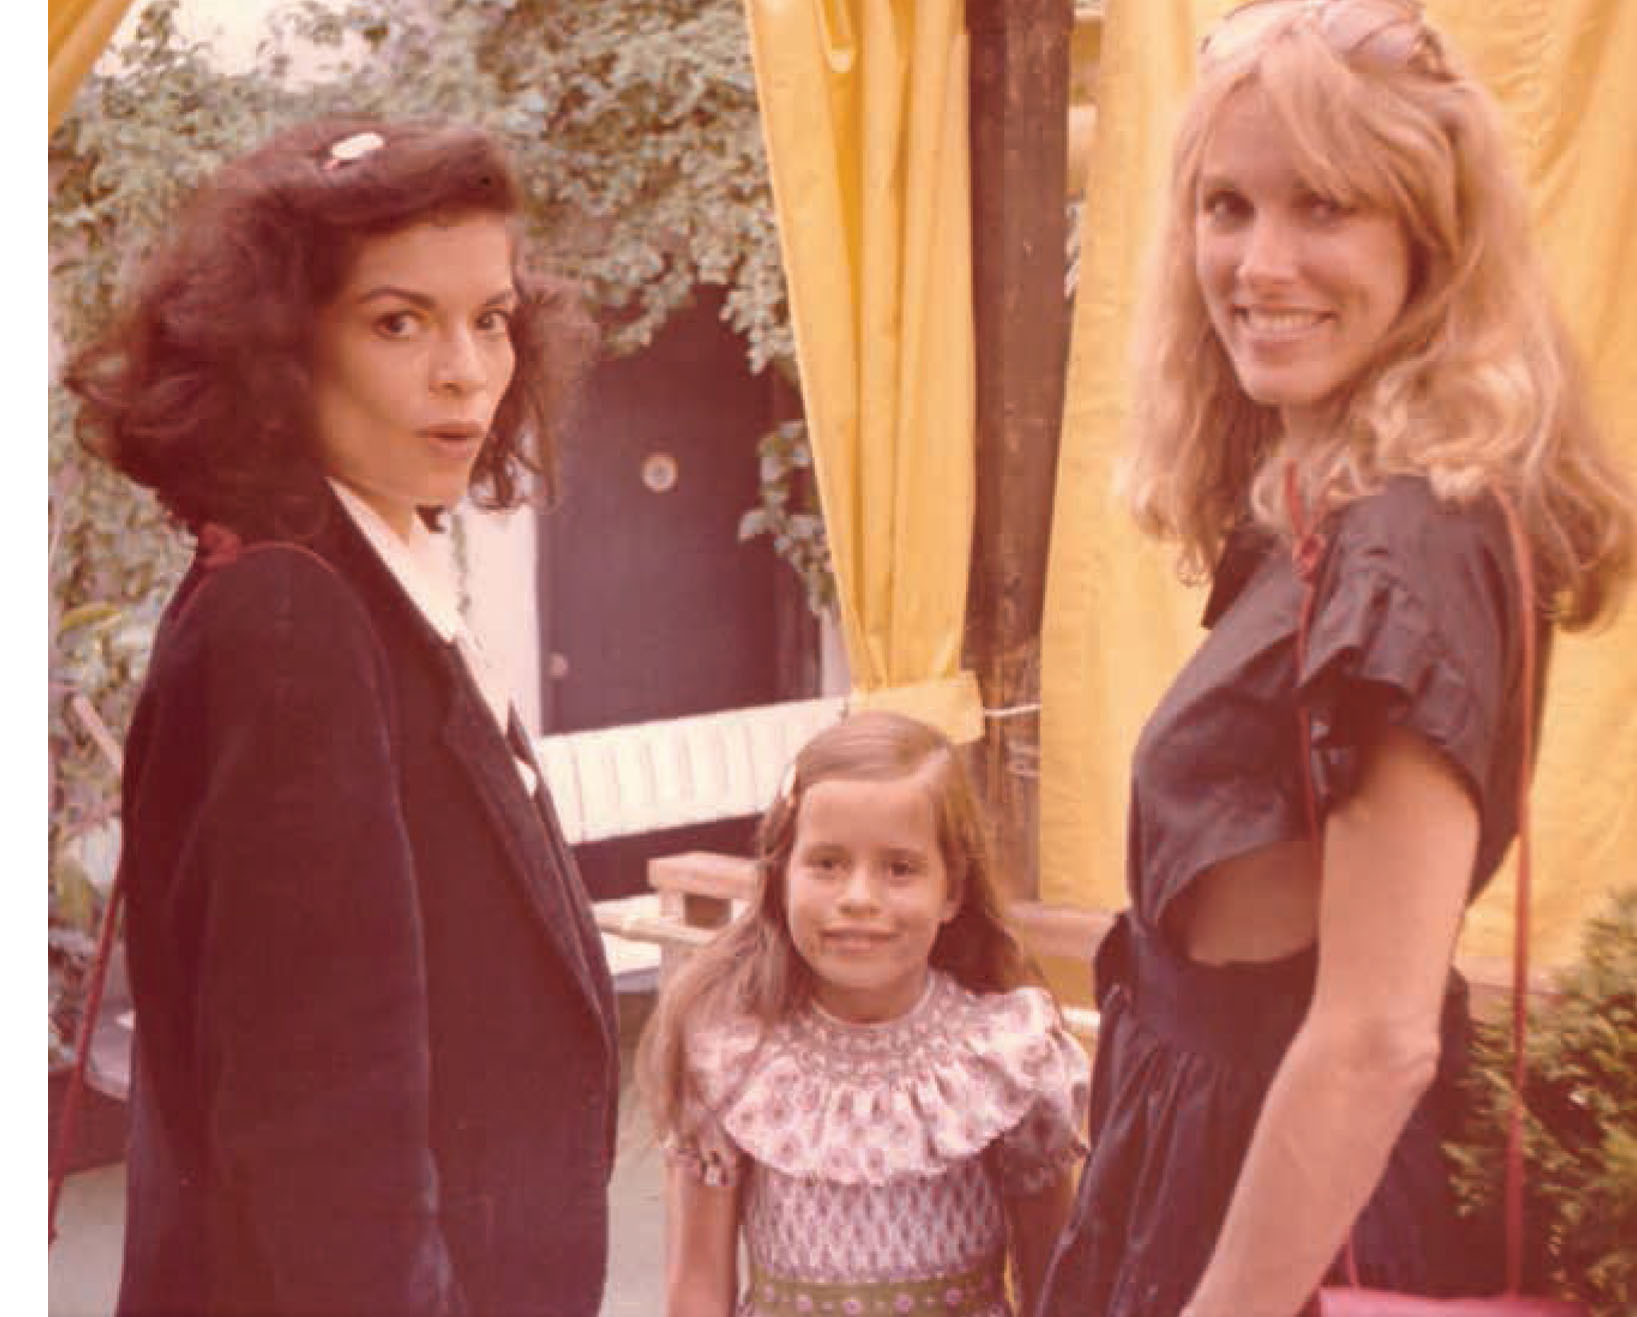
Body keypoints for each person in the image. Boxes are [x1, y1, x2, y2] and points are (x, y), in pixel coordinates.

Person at [1036, 3, 1636, 1315]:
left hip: (1301, 1217)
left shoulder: (1407, 544)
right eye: (1225, 204)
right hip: (1224, 1156)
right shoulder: (1324, 500)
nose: (1259, 260)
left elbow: (1373, 1035)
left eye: (1324, 206)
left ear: (1431, 234)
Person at [64, 116, 619, 1316]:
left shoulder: (369, 583)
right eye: (398, 322)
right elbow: (323, 1157)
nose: (466, 371)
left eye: (492, 319)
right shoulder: (290, 623)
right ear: (277, 352)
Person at [636, 710, 1090, 1317]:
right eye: (826, 863)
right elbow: (696, 1291)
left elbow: (1055, 1288)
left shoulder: (1008, 1055)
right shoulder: (732, 1055)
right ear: (781, 875)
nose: (858, 898)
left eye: (900, 869)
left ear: (951, 890)